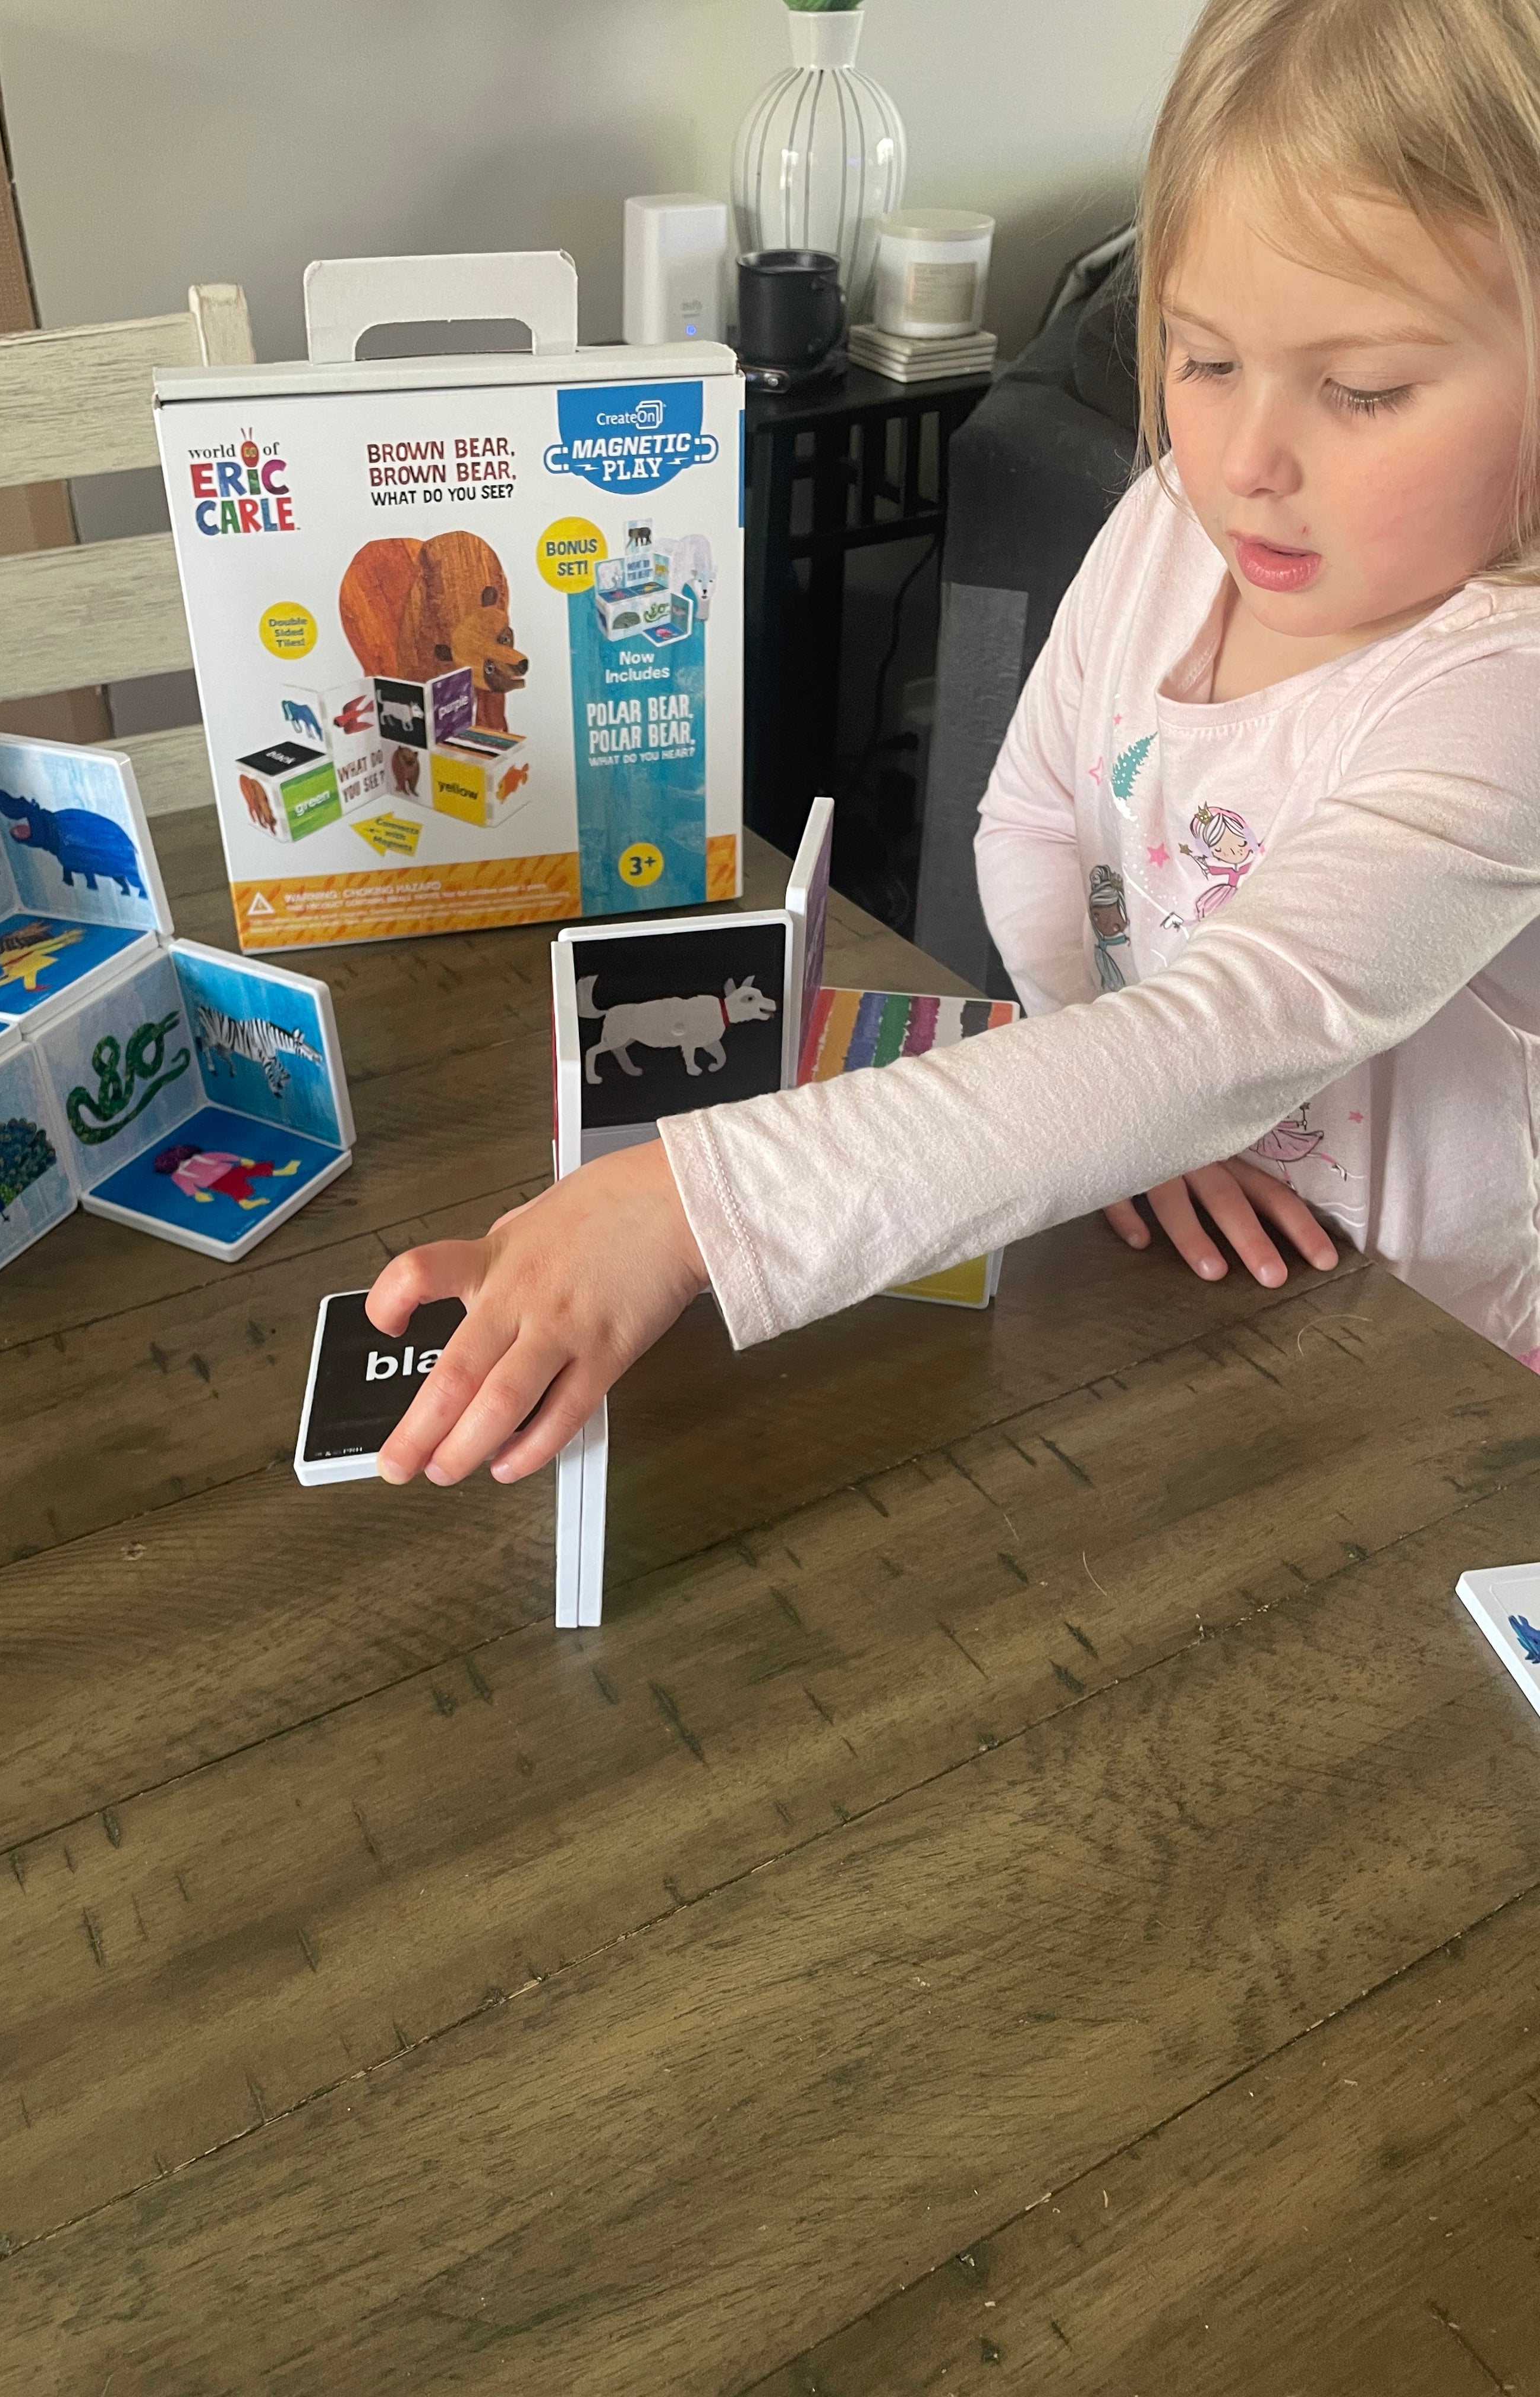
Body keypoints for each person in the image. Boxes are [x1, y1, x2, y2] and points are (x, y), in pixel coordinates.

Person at [369, 0, 1540, 1490]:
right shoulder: (1177, 519)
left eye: (1363, 389)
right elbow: (1034, 820)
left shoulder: (1505, 692)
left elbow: (1241, 1030)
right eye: (1200, 358)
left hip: (1429, 1357)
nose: (1245, 463)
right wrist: (1129, 1110)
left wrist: (688, 1207)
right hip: (1167, 1270)